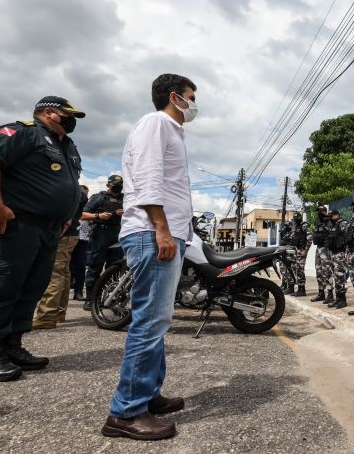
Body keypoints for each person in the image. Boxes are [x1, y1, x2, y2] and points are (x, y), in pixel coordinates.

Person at [102, 73, 197, 440]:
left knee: (157, 320)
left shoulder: (172, 131)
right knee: (149, 322)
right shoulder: (155, 123)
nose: (193, 104)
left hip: (164, 231)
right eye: (191, 97)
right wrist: (161, 228)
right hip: (152, 232)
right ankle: (125, 413)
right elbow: (147, 178)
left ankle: (148, 395)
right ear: (175, 96)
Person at [0, 96, 84, 382]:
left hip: (49, 229)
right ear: (49, 112)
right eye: (68, 114)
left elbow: (68, 186)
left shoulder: (67, 146)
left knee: (30, 288)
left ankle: (12, 346)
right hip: (16, 224)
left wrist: (66, 217)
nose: (72, 120)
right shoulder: (22, 132)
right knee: (0, 286)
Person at [33, 180, 87, 329]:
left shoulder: (67, 188)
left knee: (55, 273)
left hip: (63, 233)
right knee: (63, 272)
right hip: (70, 234)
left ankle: (46, 316)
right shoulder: (79, 192)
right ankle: (58, 313)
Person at [81, 174, 124, 311]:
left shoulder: (127, 199)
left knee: (115, 268)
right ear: (108, 185)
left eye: (120, 184)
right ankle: (90, 299)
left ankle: (111, 298)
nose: (118, 186)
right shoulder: (99, 197)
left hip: (118, 235)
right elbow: (83, 214)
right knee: (95, 266)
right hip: (100, 234)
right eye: (115, 184)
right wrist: (98, 216)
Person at [71, 185, 91, 301]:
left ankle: (78, 291)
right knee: (66, 266)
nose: (84, 196)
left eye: (85, 194)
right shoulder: (72, 203)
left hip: (83, 238)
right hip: (69, 234)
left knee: (81, 265)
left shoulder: (88, 205)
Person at [310, 205, 334, 303]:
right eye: (318, 211)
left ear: (324, 211)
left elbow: (332, 235)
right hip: (318, 248)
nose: (319, 213)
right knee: (319, 271)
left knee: (327, 270)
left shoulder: (329, 221)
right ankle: (321, 293)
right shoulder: (318, 223)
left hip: (326, 249)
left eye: (320, 211)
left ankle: (330, 294)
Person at [327, 210, 349, 309]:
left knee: (340, 277)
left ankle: (343, 300)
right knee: (336, 277)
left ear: (337, 215)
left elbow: (347, 238)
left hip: (340, 253)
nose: (330, 218)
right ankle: (338, 299)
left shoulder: (343, 223)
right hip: (333, 253)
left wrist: (346, 252)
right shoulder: (334, 225)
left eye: (332, 216)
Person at [288, 212, 311, 297]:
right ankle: (299, 288)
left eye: (297, 217)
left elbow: (310, 238)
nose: (295, 219)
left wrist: (305, 251)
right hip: (296, 250)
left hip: (302, 250)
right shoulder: (296, 227)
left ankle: (302, 290)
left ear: (300, 217)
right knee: (296, 269)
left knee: (300, 269)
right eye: (294, 218)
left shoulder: (305, 225)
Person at [278, 221, 295, 294]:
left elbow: (291, 244)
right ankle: (284, 285)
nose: (286, 227)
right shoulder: (286, 234)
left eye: (287, 226)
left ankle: (291, 288)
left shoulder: (293, 234)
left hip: (289, 254)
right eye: (285, 226)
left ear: (291, 226)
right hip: (283, 254)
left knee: (289, 271)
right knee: (283, 271)